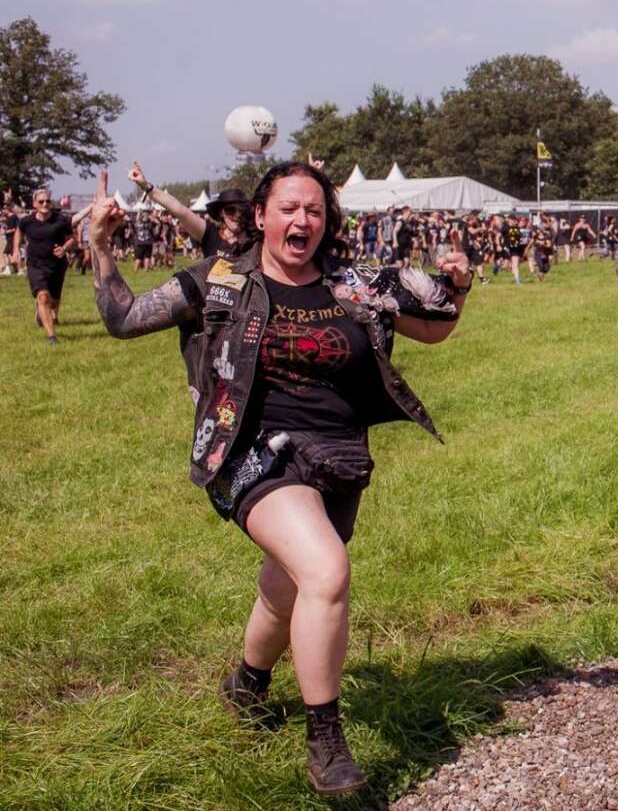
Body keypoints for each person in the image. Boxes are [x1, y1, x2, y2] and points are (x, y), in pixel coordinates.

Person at [86, 162, 469, 795]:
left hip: (339, 456)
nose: (302, 221)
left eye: (314, 211)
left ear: (328, 220)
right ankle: (326, 739)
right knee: (324, 570)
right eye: (289, 209)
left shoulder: (356, 284)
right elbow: (124, 316)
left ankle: (247, 684)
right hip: (249, 450)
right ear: (260, 217)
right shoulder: (220, 283)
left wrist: (460, 282)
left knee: (286, 587)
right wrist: (100, 244)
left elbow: (435, 324)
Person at [129, 163, 254, 259]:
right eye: (231, 210)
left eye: (242, 210)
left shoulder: (254, 239)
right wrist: (146, 186)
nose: (237, 214)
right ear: (221, 213)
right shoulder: (211, 234)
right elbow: (180, 210)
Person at [14, 187, 79, 344]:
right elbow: (18, 232)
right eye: (41, 201)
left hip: (57, 265)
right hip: (36, 265)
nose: (45, 204)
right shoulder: (26, 221)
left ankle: (45, 314)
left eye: (47, 201)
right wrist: (16, 249)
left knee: (54, 301)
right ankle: (52, 337)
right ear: (34, 203)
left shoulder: (60, 220)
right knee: (43, 297)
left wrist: (64, 248)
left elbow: (72, 238)